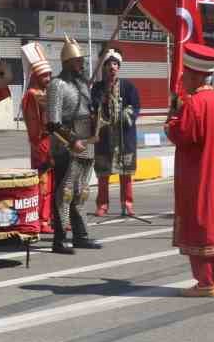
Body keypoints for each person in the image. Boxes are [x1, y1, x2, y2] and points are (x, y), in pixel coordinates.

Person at [166, 42, 214, 297]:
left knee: (201, 223)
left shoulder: (194, 104)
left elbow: (182, 135)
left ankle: (205, 282)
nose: (182, 78)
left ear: (196, 75)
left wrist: (172, 118)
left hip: (199, 177)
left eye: (185, 73)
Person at [44, 36, 101, 254]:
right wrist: (72, 140)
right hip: (66, 145)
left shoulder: (83, 85)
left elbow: (88, 111)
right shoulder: (56, 85)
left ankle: (81, 235)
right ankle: (60, 239)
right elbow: (52, 123)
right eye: (78, 61)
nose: (82, 65)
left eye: (82, 61)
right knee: (64, 192)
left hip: (87, 141)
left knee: (81, 192)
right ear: (67, 63)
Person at [91, 48, 142, 217]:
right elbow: (92, 107)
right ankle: (102, 205)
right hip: (104, 137)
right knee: (103, 175)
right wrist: (101, 99)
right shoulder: (97, 88)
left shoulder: (129, 87)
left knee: (126, 173)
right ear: (104, 67)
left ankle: (127, 204)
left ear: (118, 67)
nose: (112, 67)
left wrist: (124, 114)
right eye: (109, 64)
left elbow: (135, 107)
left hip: (124, 137)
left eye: (115, 64)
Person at [20, 42, 54, 235]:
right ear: (35, 77)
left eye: (49, 75)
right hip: (41, 143)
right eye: (44, 75)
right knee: (43, 183)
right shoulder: (32, 96)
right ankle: (42, 219)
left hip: (50, 142)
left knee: (50, 183)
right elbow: (36, 128)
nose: (48, 78)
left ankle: (48, 217)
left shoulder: (43, 93)